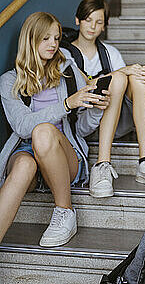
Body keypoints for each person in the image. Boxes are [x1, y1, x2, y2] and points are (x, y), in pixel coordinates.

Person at [0, 12, 108, 247]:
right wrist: (66, 104)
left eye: (57, 39)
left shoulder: (66, 73)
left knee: (44, 132)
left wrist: (97, 109)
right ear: (31, 40)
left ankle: (65, 212)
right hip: (27, 151)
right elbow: (21, 126)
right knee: (25, 161)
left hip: (64, 155)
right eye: (46, 38)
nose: (53, 44)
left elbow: (81, 128)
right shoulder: (9, 81)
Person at [61, 0, 145, 197]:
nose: (92, 26)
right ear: (77, 20)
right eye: (88, 20)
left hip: (113, 122)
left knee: (138, 79)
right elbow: (81, 85)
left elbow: (129, 80)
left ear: (104, 26)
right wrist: (123, 71)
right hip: (81, 121)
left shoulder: (110, 53)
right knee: (120, 78)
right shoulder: (64, 53)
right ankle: (102, 165)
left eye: (99, 22)